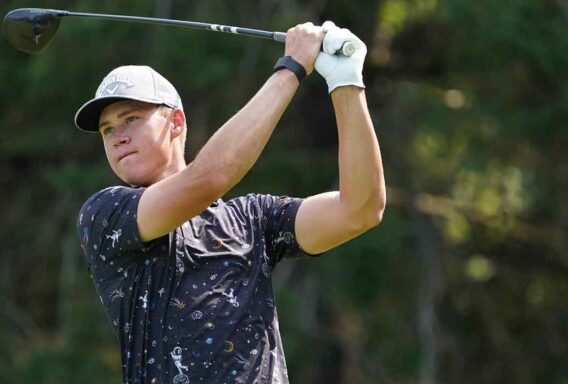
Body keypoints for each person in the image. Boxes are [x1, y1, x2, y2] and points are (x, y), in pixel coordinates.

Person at [75, 21, 385, 384]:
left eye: (131, 119)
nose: (118, 137)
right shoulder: (106, 214)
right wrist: (292, 68)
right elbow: (208, 179)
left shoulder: (252, 219)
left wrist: (346, 83)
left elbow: (360, 209)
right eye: (108, 129)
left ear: (175, 122)